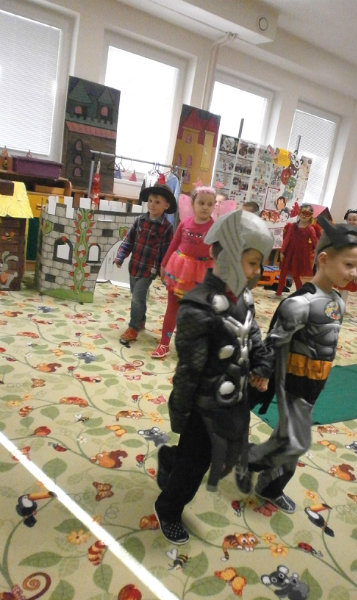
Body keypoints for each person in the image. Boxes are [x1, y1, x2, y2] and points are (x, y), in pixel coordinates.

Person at [154, 210, 274, 544]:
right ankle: (168, 508)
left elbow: (253, 335)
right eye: (252, 263)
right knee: (195, 464)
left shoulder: (244, 297)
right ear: (228, 257)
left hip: (234, 399)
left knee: (221, 454)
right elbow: (188, 370)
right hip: (203, 405)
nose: (257, 272)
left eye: (259, 264)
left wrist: (262, 366)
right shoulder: (198, 308)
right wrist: (180, 411)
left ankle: (170, 458)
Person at [238, 217, 357, 513]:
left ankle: (265, 481)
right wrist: (263, 373)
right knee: (295, 442)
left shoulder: (338, 302)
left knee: (288, 438)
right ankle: (246, 461)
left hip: (315, 382)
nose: (354, 273)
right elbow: (274, 341)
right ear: (323, 259)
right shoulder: (300, 304)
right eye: (348, 265)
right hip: (292, 380)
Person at [151, 186, 216, 358]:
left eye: (210, 204)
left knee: (197, 312)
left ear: (214, 206)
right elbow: (174, 244)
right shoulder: (185, 223)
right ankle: (164, 343)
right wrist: (164, 264)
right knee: (172, 308)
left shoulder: (215, 227)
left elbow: (220, 251)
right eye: (201, 203)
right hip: (179, 270)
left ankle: (192, 345)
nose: (205, 207)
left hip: (202, 275)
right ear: (193, 204)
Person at [114, 183, 176, 343]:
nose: (152, 205)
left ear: (166, 205)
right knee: (136, 296)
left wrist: (165, 271)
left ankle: (133, 328)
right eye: (150, 201)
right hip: (134, 265)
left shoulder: (167, 228)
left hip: (149, 269)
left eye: (157, 202)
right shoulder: (140, 221)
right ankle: (141, 320)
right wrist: (120, 257)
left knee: (137, 298)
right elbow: (129, 241)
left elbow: (167, 252)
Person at [274, 203, 318, 297]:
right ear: (299, 213)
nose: (304, 216)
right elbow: (286, 239)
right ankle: (278, 293)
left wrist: (316, 253)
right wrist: (282, 252)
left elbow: (315, 242)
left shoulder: (310, 229)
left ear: (311, 216)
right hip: (289, 253)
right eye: (303, 213)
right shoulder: (292, 226)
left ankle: (299, 294)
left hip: (300, 256)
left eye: (307, 214)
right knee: (283, 273)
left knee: (296, 275)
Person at [338, 208, 357, 304]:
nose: (351, 222)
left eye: (354, 219)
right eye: (349, 219)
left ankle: (341, 305)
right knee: (338, 284)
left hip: (352, 264)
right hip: (341, 262)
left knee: (345, 287)